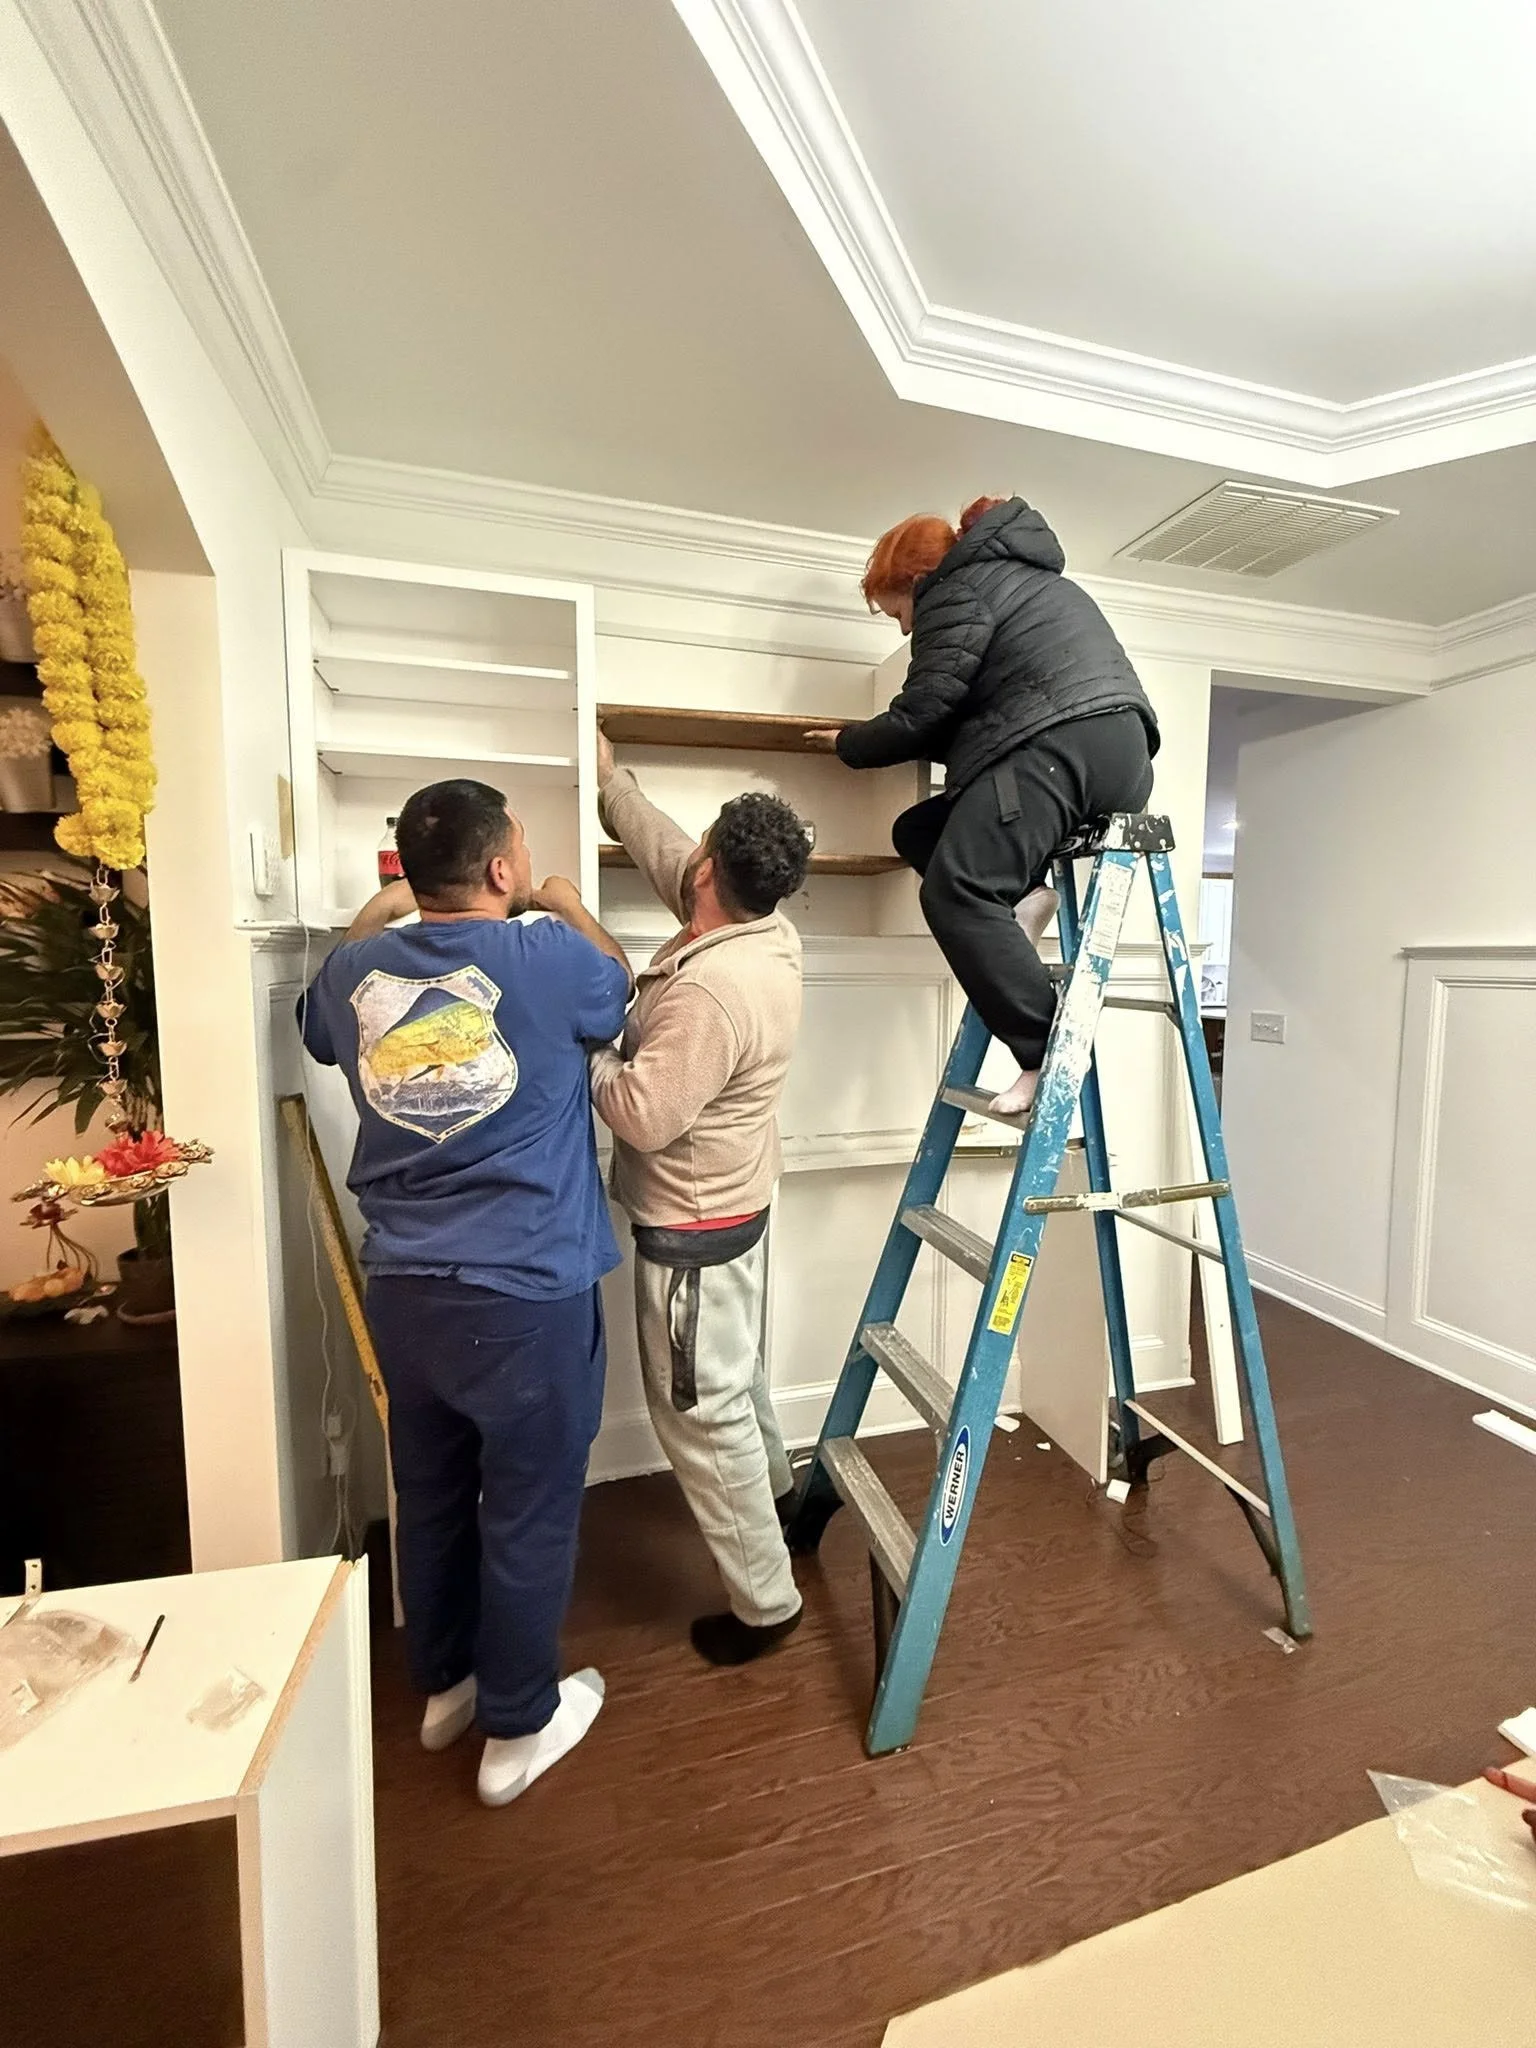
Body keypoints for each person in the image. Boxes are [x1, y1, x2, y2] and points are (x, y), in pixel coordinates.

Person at [297, 778, 632, 1807]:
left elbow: (316, 1026)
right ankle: (518, 1725)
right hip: (524, 1293)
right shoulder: (546, 953)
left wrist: (377, 912)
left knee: (434, 1493)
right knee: (528, 1509)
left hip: (405, 1287)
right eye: (520, 851)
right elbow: (622, 992)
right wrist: (570, 900)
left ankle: (445, 1685)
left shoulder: (356, 970)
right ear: (500, 868)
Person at [815, 495, 1160, 1118]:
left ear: (915, 582)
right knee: (919, 832)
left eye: (897, 610)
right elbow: (968, 715)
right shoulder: (1027, 582)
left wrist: (848, 744)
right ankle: (1024, 897)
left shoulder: (956, 590)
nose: (902, 629)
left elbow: (923, 712)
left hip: (1060, 746)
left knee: (955, 892)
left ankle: (1044, 1055)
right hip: (1117, 755)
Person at [589, 732, 811, 1666]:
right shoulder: (759, 925)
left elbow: (642, 1113)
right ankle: (786, 1505)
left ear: (715, 868)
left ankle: (767, 1605)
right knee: (738, 1384)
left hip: (693, 1234)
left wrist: (582, 1047)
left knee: (699, 1413)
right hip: (736, 1211)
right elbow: (666, 849)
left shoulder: (714, 991)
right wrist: (612, 784)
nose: (689, 867)